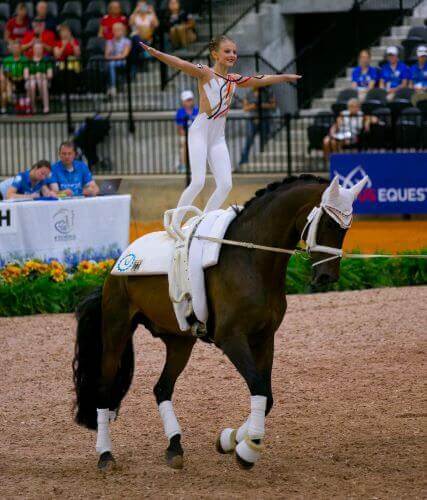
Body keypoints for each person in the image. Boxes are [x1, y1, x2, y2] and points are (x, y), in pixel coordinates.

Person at [140, 34, 301, 234]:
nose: (232, 55)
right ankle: (174, 224)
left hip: (218, 137)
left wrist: (284, 77)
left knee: (225, 184)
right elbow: (180, 63)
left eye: (234, 51)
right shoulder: (205, 73)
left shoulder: (234, 79)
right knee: (198, 181)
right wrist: (156, 53)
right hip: (200, 131)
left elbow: (260, 79)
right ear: (215, 54)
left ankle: (202, 221)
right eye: (227, 51)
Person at [238, 86, 276, 167]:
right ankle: (243, 160)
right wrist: (253, 106)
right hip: (253, 120)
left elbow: (273, 105)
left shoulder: (267, 92)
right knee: (249, 140)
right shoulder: (249, 93)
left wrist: (261, 105)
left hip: (264, 119)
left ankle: (265, 161)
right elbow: (245, 108)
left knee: (265, 140)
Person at [0, 41, 30, 114]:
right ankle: (4, 109)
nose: (15, 49)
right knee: (5, 87)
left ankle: (24, 106)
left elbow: (26, 73)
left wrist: (20, 79)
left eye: (17, 48)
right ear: (11, 49)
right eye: (14, 48)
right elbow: (4, 72)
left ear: (20, 49)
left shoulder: (24, 59)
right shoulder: (6, 60)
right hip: (9, 81)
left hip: (21, 81)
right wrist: (9, 79)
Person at [26, 41, 53, 114]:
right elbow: (26, 75)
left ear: (42, 50)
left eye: (40, 48)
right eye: (36, 48)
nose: (38, 50)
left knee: (43, 83)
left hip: (44, 80)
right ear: (33, 50)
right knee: (32, 85)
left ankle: (46, 107)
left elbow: (50, 75)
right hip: (31, 80)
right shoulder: (29, 61)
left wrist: (41, 75)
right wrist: (34, 76)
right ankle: (33, 107)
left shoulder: (46, 61)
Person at [175, 90, 198, 173]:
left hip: (197, 135)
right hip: (185, 135)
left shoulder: (197, 110)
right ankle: (183, 165)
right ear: (183, 102)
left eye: (191, 99)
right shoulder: (180, 112)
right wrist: (188, 136)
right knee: (183, 142)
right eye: (187, 100)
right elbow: (180, 129)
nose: (190, 102)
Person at [105, 23, 131, 96]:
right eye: (115, 30)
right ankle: (110, 87)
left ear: (123, 31)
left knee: (111, 64)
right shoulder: (110, 41)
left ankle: (112, 87)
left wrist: (113, 57)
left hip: (122, 62)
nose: (117, 31)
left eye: (119, 29)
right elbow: (106, 56)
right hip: (112, 61)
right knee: (110, 65)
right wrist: (114, 53)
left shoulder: (127, 41)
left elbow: (124, 55)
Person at [53, 24, 81, 93]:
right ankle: (64, 92)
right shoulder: (57, 43)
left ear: (70, 33)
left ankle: (72, 91)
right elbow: (57, 56)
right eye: (63, 32)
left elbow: (78, 54)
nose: (65, 33)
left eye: (67, 31)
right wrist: (64, 46)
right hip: (60, 63)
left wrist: (73, 44)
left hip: (72, 64)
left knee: (71, 70)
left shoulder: (74, 42)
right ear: (60, 34)